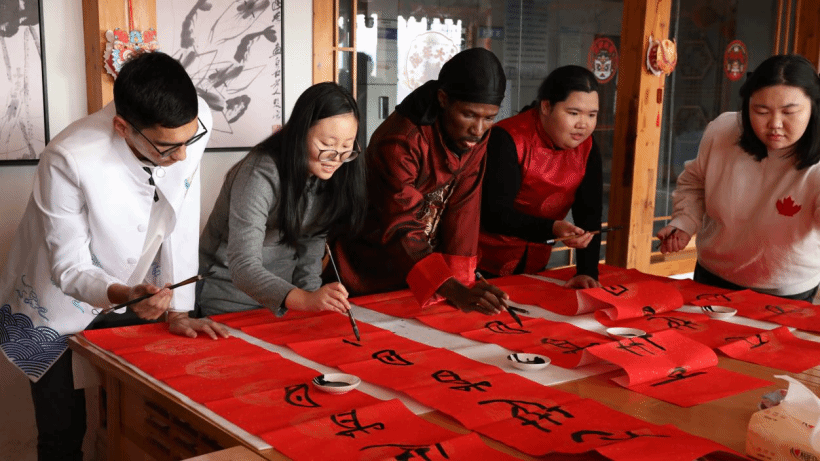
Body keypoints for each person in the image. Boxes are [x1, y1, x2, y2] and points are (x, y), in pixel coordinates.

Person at [0, 51, 229, 461]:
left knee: (141, 418)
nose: (182, 156)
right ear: (123, 127)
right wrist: (123, 294)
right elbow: (69, 266)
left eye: (188, 141)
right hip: (56, 298)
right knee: (62, 430)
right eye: (167, 147)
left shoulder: (193, 122)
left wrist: (179, 309)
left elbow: (181, 212)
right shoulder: (68, 156)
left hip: (141, 284)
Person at [333, 47, 509, 314]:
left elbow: (465, 210)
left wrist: (463, 283)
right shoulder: (401, 141)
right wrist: (452, 289)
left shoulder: (474, 137)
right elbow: (400, 224)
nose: (478, 129)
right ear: (443, 99)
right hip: (370, 264)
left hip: (427, 269)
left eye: (489, 118)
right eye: (469, 115)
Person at [658, 54, 820, 301]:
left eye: (789, 112)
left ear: (814, 108)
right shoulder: (723, 131)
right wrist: (684, 221)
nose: (775, 124)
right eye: (761, 111)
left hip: (785, 288)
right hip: (713, 274)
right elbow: (695, 182)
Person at [198, 82, 366, 316]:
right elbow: (243, 266)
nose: (336, 158)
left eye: (347, 147)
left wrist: (314, 304)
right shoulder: (259, 174)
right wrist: (306, 300)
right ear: (300, 132)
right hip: (228, 302)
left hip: (286, 304)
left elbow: (310, 255)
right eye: (327, 145)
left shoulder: (328, 177)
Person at [479, 65, 603, 288]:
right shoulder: (508, 139)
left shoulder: (588, 148)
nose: (583, 125)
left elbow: (589, 215)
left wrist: (587, 272)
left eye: (591, 115)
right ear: (546, 107)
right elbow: (494, 214)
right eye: (573, 113)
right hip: (483, 261)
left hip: (536, 262)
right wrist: (552, 228)